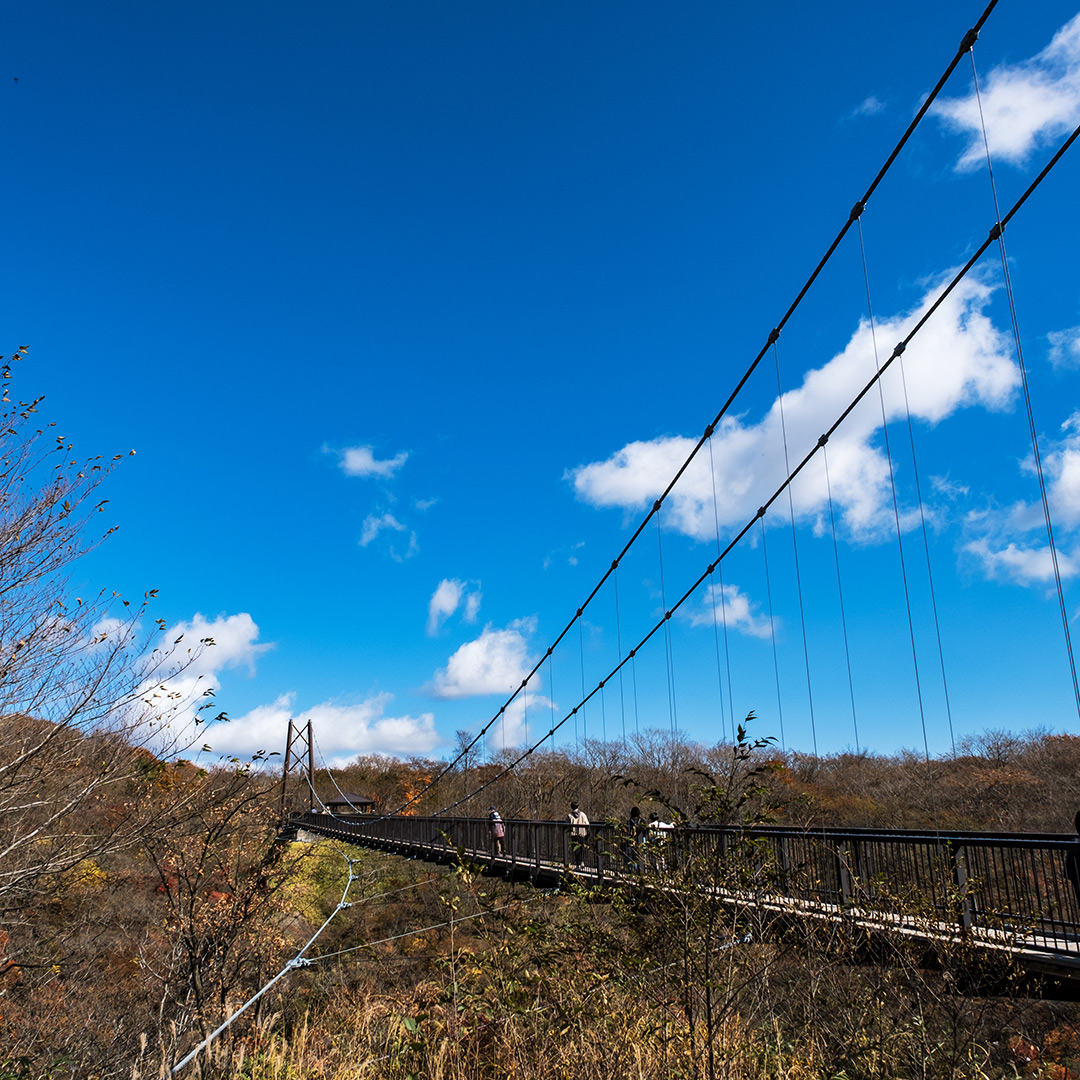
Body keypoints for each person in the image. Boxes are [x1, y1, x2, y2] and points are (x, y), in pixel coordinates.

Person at [567, 801, 589, 867]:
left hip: (574, 835)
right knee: (582, 848)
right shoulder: (582, 814)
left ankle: (577, 863)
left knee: (575, 849)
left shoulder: (570, 816)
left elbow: (566, 825)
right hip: (582, 834)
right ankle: (582, 862)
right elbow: (587, 824)